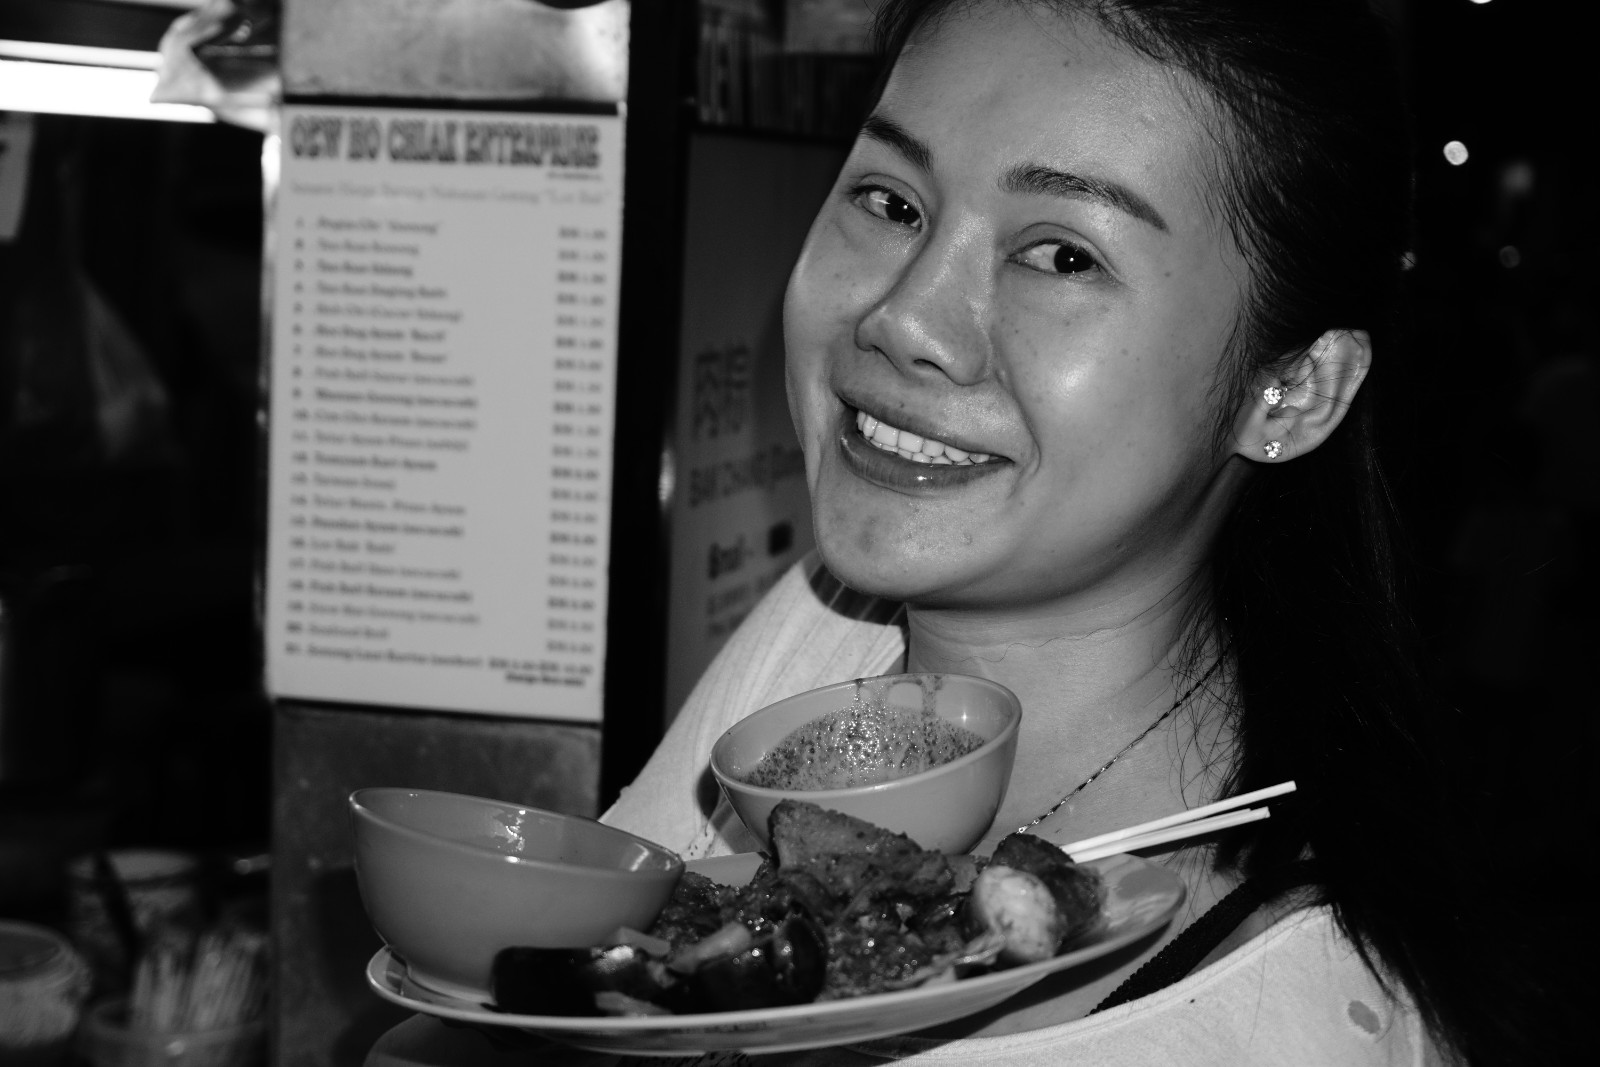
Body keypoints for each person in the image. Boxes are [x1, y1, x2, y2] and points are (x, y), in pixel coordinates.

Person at [598, 1, 1521, 1064]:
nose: (904, 318)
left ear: (1294, 388)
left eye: (1063, 257)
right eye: (891, 201)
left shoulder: (1282, 1019)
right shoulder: (824, 632)